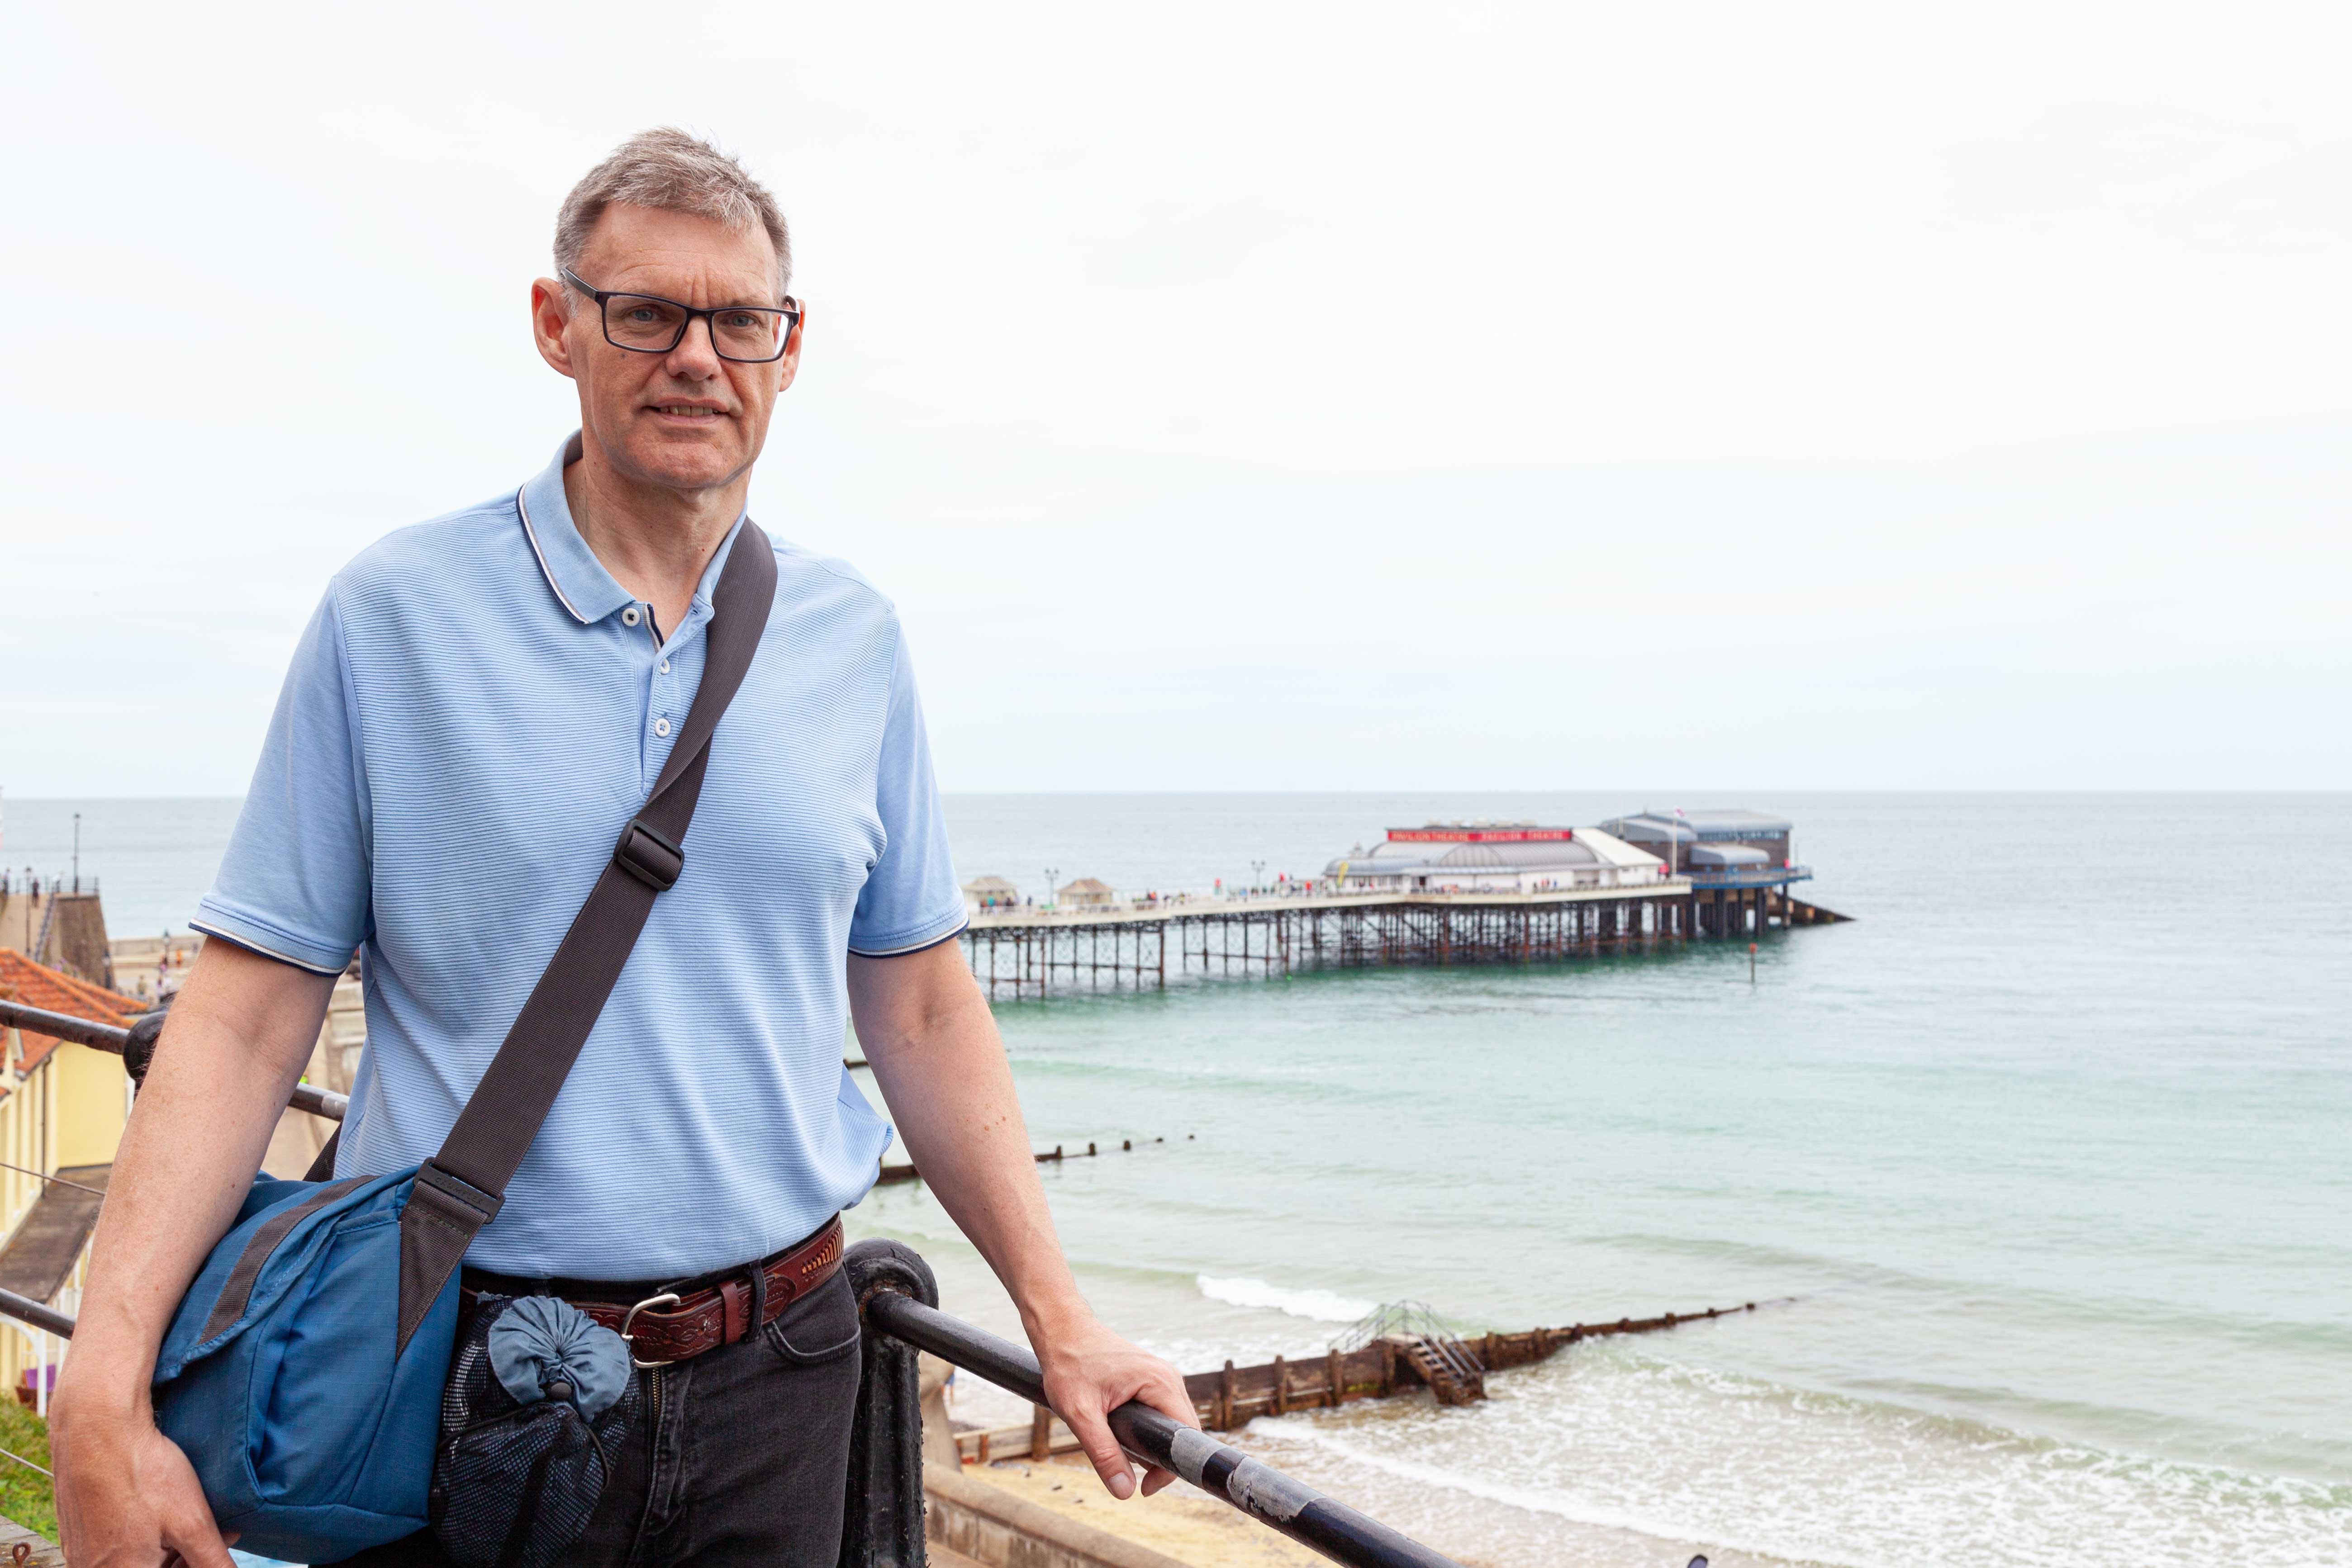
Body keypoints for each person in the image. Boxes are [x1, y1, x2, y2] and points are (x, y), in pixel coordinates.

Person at [51, 128, 1196, 1568]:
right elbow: (239, 1011)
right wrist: (102, 1379)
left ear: (789, 349)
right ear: (558, 324)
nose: (698, 357)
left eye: (740, 320)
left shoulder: (856, 640)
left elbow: (917, 1001)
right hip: (473, 1377)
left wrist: (1062, 1318)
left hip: (784, 1365)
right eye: (647, 312)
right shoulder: (396, 614)